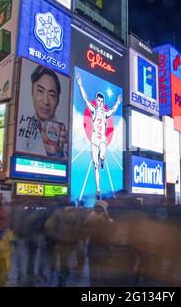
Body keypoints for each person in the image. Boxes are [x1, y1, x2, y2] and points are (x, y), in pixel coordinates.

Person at [75, 71, 122, 200]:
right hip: (94, 139)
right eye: (98, 101)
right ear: (96, 101)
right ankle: (98, 189)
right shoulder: (94, 111)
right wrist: (80, 84)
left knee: (102, 155)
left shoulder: (106, 113)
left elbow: (113, 109)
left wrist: (118, 102)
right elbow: (85, 99)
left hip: (102, 139)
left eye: (102, 101)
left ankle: (102, 159)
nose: (100, 103)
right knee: (95, 165)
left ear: (103, 102)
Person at [19, 65, 68, 160]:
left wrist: (56, 154)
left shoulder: (65, 137)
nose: (46, 101)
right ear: (32, 91)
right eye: (40, 91)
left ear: (58, 100)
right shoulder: (22, 125)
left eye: (51, 95)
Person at [45, 198, 82, 287]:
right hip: (70, 243)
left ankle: (52, 279)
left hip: (59, 241)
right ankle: (63, 280)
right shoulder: (78, 215)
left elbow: (47, 225)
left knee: (55, 261)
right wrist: (76, 240)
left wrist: (55, 235)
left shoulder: (57, 213)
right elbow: (78, 230)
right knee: (66, 263)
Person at [84, 200, 115, 287]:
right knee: (97, 269)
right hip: (97, 246)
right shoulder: (92, 218)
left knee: (100, 269)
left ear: (103, 209)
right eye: (96, 207)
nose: (97, 209)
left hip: (100, 246)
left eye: (99, 208)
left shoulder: (107, 220)